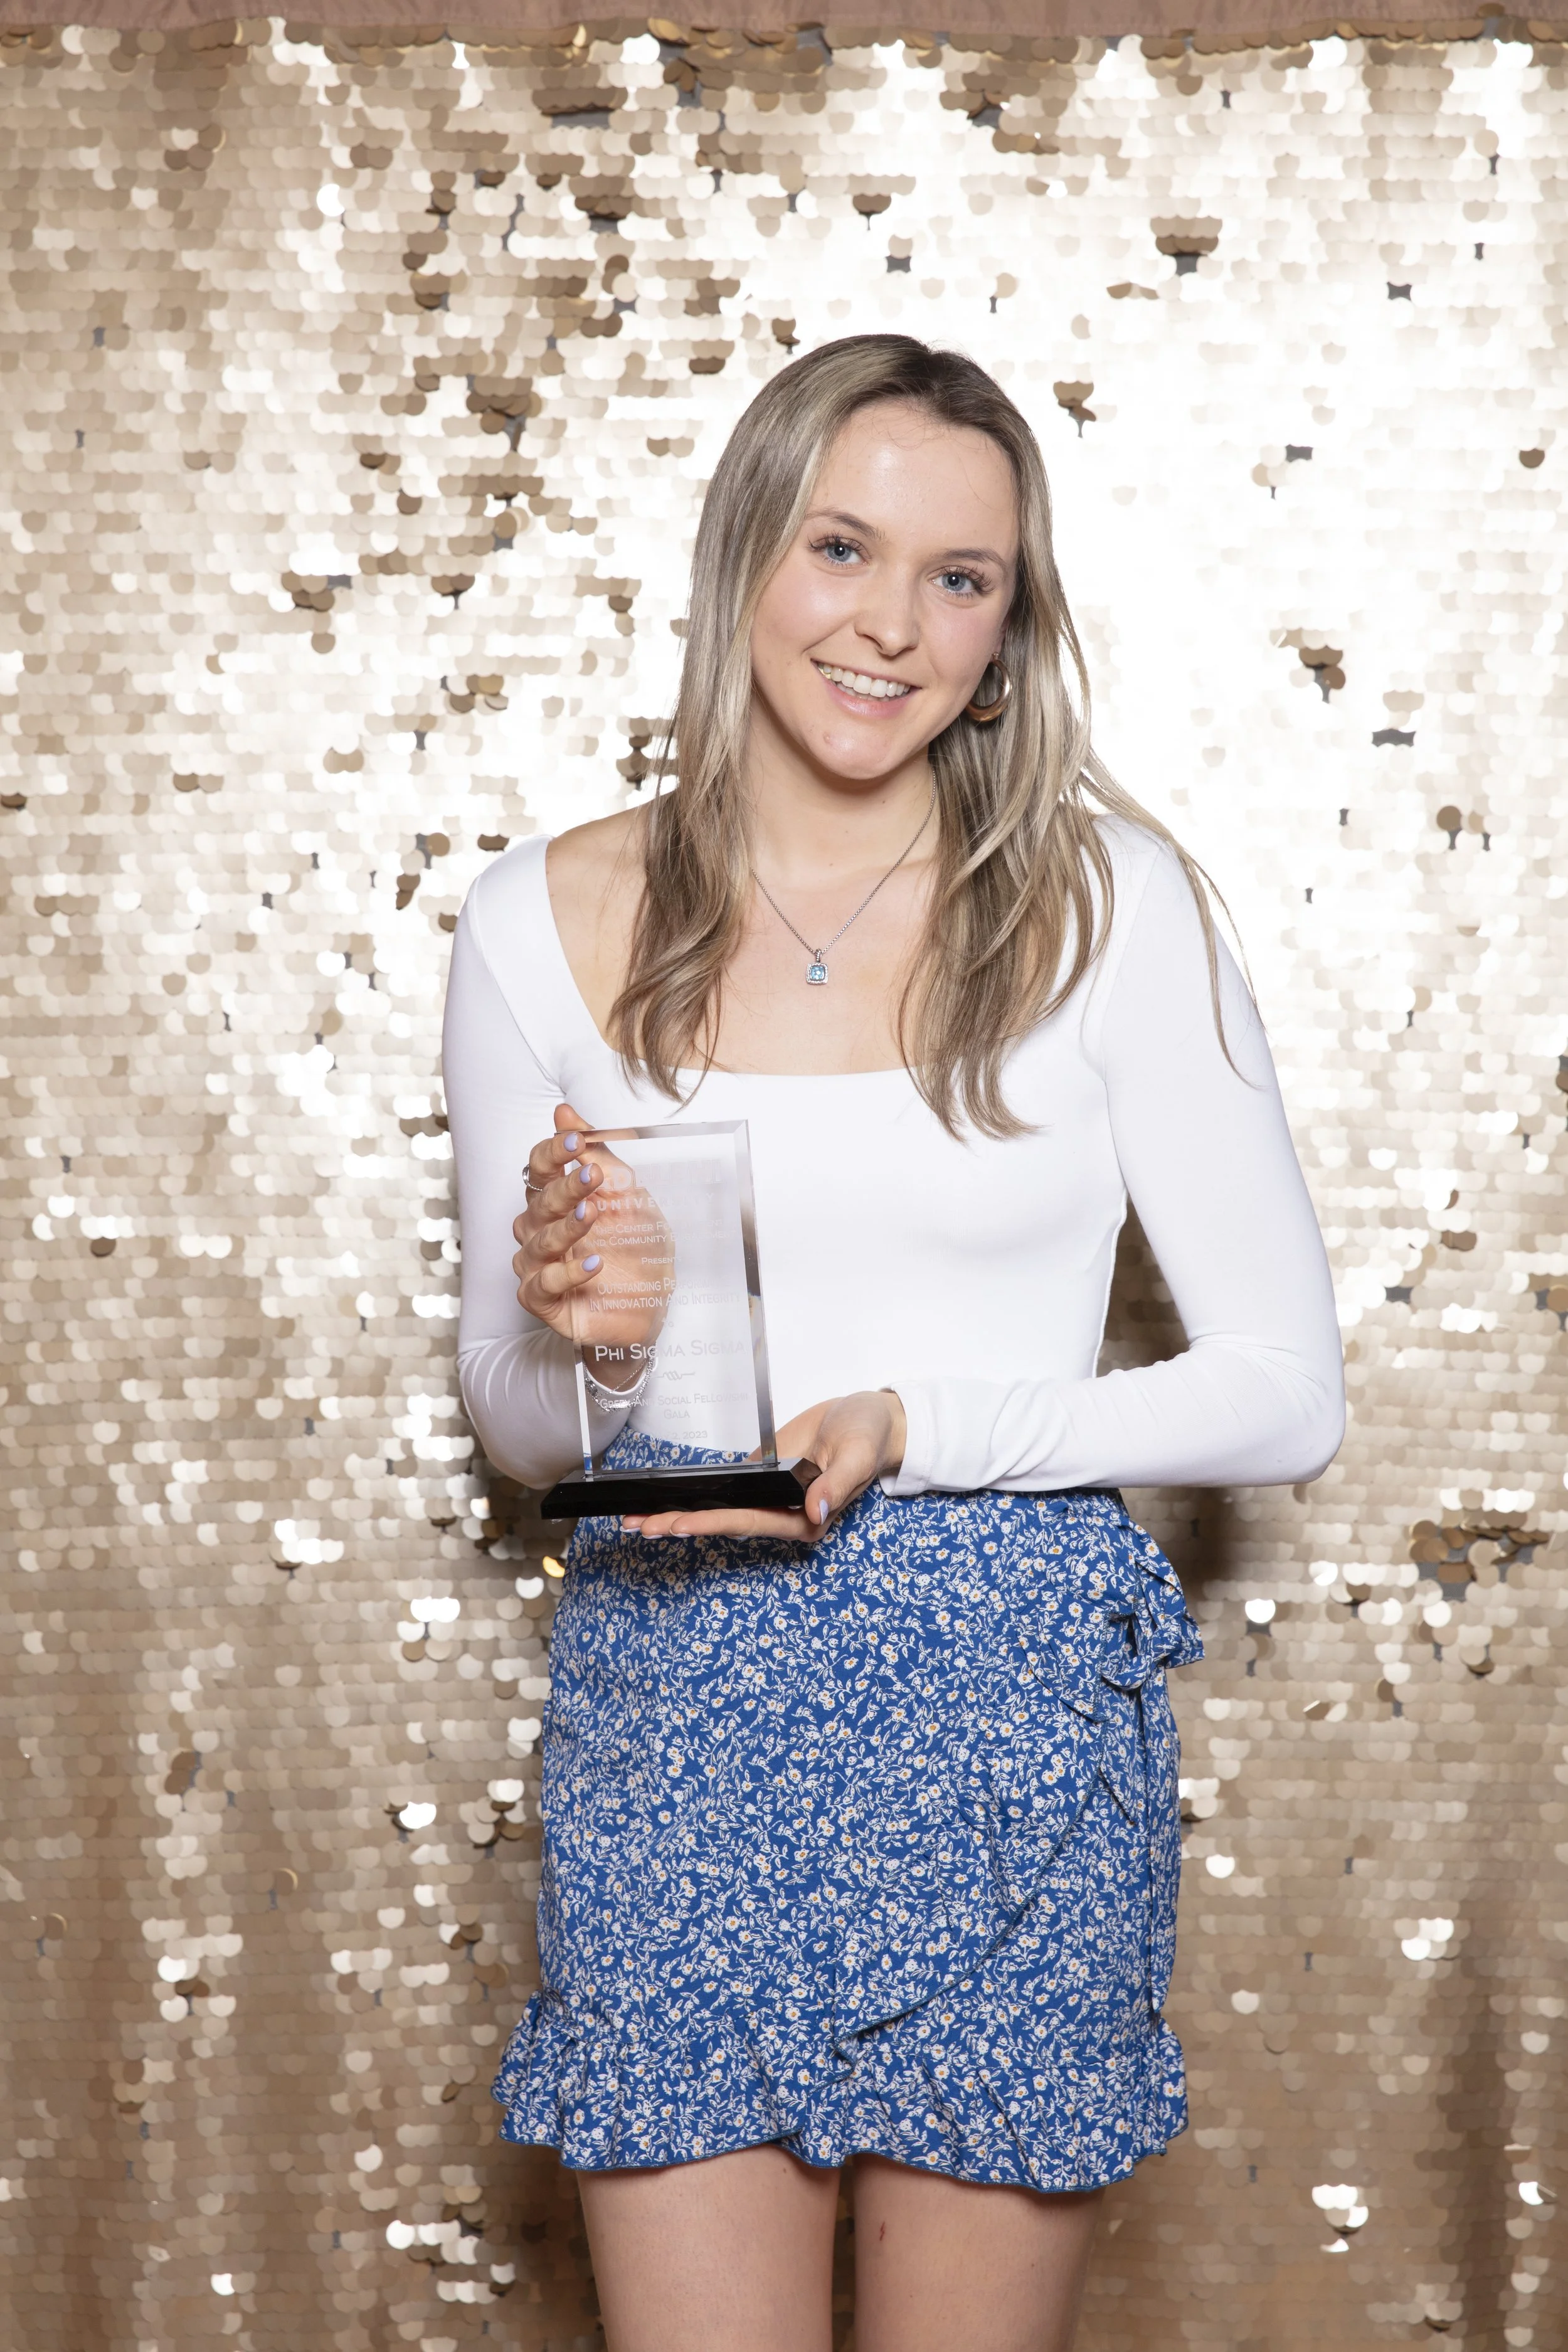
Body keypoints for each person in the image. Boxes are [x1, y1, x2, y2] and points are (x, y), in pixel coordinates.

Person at [442, 334, 1343, 2352]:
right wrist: (594, 1350)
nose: (890, 623)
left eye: (962, 577)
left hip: (1009, 1718)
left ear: (1011, 630)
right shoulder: (536, 921)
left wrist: (916, 1422)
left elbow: (1283, 1393)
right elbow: (517, 1422)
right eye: (843, 546)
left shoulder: (1109, 904)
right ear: (745, 551)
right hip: (679, 1713)